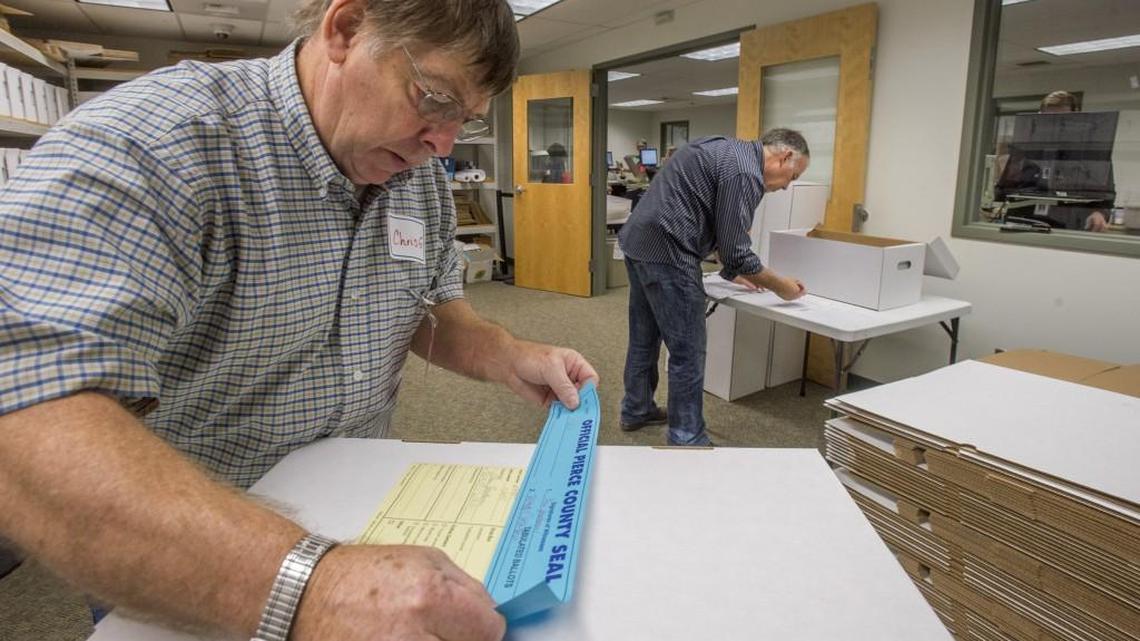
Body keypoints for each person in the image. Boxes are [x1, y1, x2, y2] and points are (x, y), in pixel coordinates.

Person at [0, 1, 597, 640]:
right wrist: (311, 587)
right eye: (432, 99)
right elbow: (25, 418)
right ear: (344, 30)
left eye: (464, 120)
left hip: (366, 517)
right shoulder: (158, 143)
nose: (442, 145)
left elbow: (431, 310)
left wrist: (508, 353)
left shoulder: (413, 173)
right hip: (195, 543)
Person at [617, 130, 808, 447]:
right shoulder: (746, 172)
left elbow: (715, 223)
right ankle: (686, 436)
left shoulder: (724, 149)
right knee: (687, 352)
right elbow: (735, 249)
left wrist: (732, 271)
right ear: (784, 156)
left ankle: (636, 410)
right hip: (669, 253)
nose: (788, 186)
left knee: (644, 337)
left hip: (638, 243)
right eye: (793, 175)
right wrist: (782, 287)